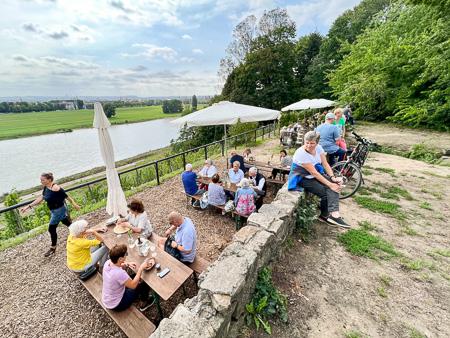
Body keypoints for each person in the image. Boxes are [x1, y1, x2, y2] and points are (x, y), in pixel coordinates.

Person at [288, 131, 350, 227]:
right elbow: (314, 173)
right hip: (302, 177)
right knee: (326, 191)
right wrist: (330, 184)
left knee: (334, 185)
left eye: (312, 143)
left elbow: (325, 164)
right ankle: (326, 216)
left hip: (313, 174)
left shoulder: (319, 148)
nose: (309, 145)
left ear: (317, 143)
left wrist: (333, 178)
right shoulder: (300, 153)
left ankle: (334, 214)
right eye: (307, 142)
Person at [20, 172, 81, 257]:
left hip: (58, 210)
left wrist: (75, 205)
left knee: (51, 229)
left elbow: (66, 196)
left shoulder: (55, 188)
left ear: (49, 180)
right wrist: (28, 206)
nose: (41, 181)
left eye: (43, 180)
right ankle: (79, 231)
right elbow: (41, 198)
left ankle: (53, 248)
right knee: (65, 222)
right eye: (40, 180)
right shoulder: (46, 188)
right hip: (55, 210)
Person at [102, 244, 154, 312]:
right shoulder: (119, 273)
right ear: (120, 258)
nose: (126, 255)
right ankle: (144, 304)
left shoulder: (108, 263)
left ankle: (138, 295)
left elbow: (118, 266)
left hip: (108, 299)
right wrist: (140, 269)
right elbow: (133, 286)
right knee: (144, 285)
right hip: (117, 304)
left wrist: (127, 264)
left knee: (133, 276)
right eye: (125, 254)